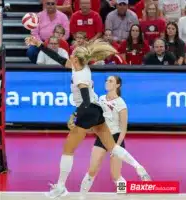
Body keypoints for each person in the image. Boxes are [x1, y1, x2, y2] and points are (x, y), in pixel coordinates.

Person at [25, 36, 150, 199]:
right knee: (111, 147)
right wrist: (40, 45)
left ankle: (61, 186)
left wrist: (74, 115)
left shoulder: (80, 77)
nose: (69, 55)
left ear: (76, 59)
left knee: (68, 149)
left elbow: (84, 101)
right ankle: (138, 166)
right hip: (97, 110)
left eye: (72, 54)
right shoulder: (78, 67)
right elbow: (58, 58)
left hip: (88, 109)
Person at [81, 75, 128, 193]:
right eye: (106, 80)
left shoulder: (121, 104)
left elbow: (123, 129)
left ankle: (123, 193)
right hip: (102, 136)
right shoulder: (101, 99)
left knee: (116, 175)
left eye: (111, 81)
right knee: (92, 170)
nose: (107, 82)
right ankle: (82, 195)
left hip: (116, 138)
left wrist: (117, 146)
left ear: (117, 85)